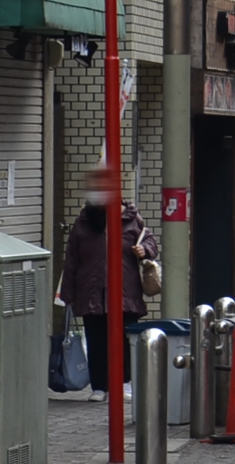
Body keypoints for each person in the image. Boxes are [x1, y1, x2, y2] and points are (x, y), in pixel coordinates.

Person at [58, 165, 159, 402]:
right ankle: (100, 386)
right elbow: (72, 258)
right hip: (91, 290)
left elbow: (152, 243)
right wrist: (67, 293)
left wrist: (144, 250)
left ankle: (124, 382)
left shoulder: (132, 220)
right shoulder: (83, 222)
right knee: (96, 339)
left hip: (125, 290)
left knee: (125, 340)